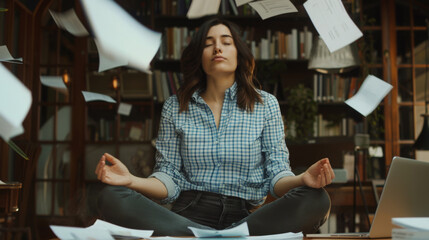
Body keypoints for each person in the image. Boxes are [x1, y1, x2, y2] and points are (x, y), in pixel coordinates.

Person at [95, 17, 334, 236]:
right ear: (200, 56)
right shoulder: (175, 106)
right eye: (208, 43)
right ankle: (219, 238)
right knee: (110, 196)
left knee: (317, 199)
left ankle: (215, 237)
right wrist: (130, 180)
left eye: (226, 42)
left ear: (239, 53)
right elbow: (167, 179)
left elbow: (277, 176)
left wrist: (303, 179)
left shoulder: (265, 105)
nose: (217, 48)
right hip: (187, 215)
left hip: (246, 219)